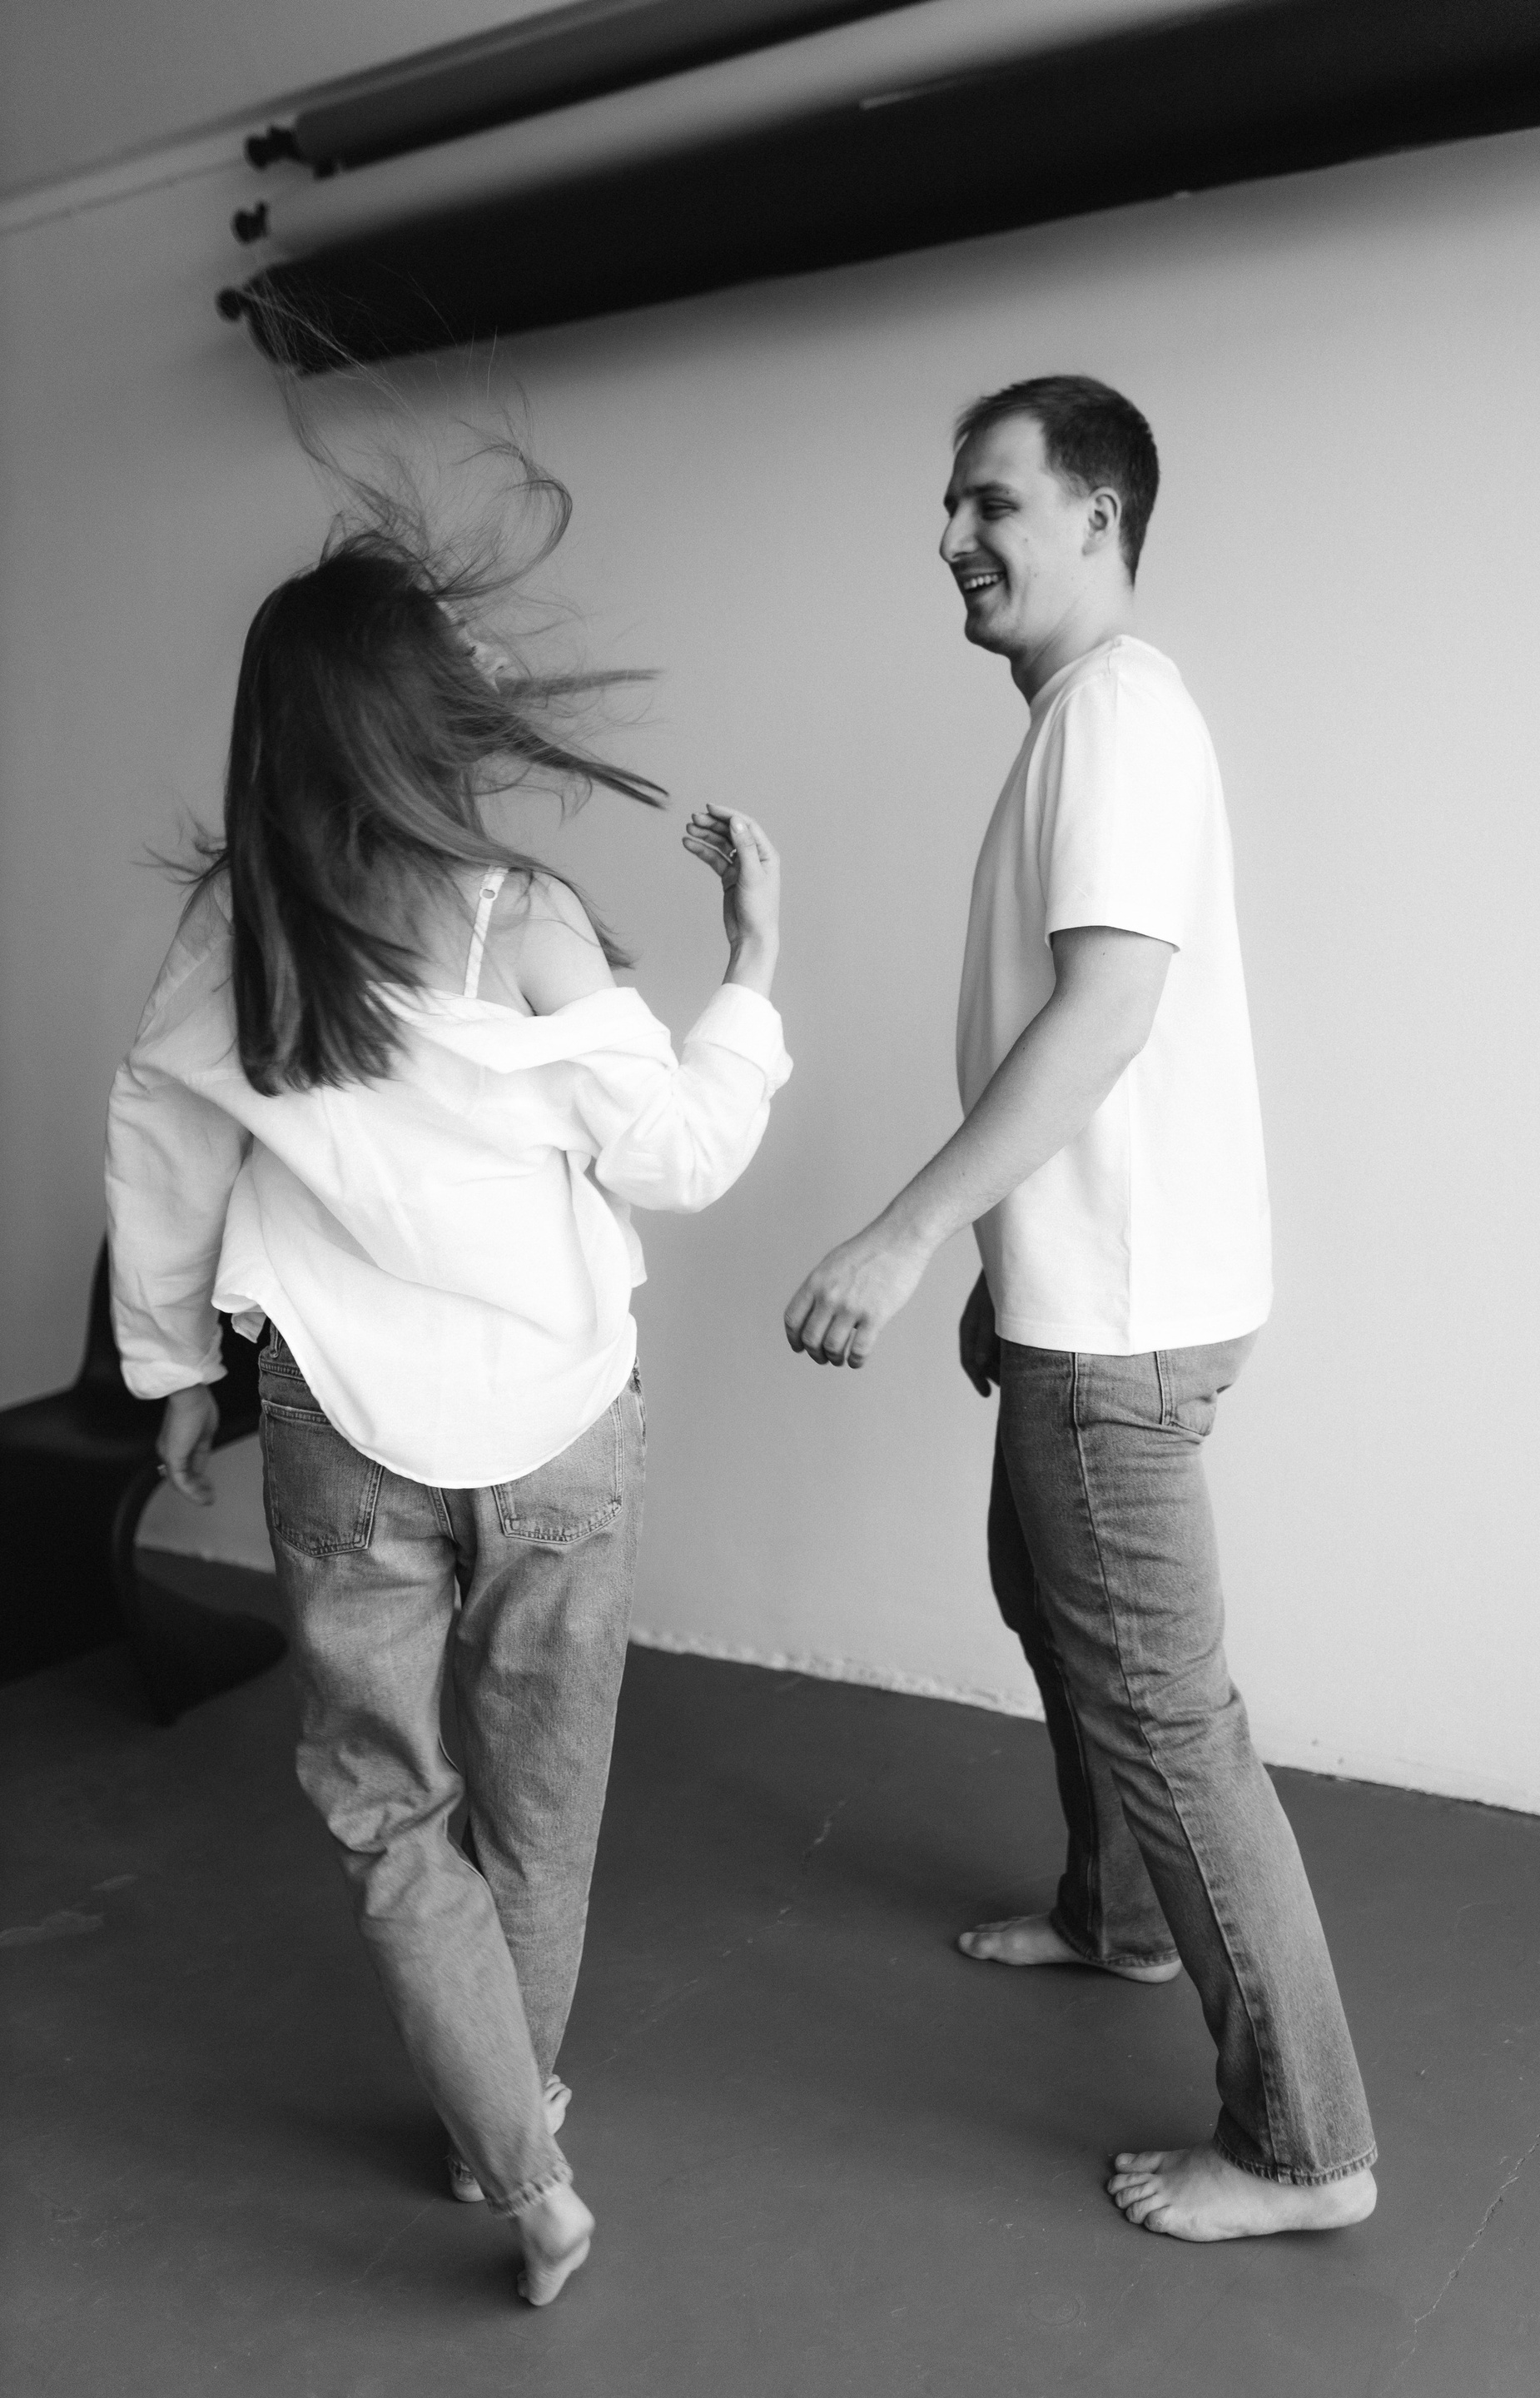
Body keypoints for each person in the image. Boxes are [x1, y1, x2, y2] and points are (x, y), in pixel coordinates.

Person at [105, 474, 789, 2306]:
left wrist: (170, 1371)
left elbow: (160, 1144)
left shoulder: (240, 926)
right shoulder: (523, 917)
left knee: (391, 1810)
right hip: (560, 1423)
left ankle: (524, 2167)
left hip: (338, 1429)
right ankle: (509, 2133)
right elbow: (680, 1154)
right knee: (538, 1814)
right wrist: (754, 965)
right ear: (419, 716)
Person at [783, 375, 1376, 2241]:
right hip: (1089, 1289)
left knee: (1171, 1719)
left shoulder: (1114, 709)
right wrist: (1000, 1267)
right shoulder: (1086, 718)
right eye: (951, 505)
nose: (954, 537)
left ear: (1099, 517)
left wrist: (905, 1237)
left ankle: (1306, 2150)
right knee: (1049, 1603)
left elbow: (1109, 1013)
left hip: (1120, 1318)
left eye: (993, 502)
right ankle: (1119, 1918)